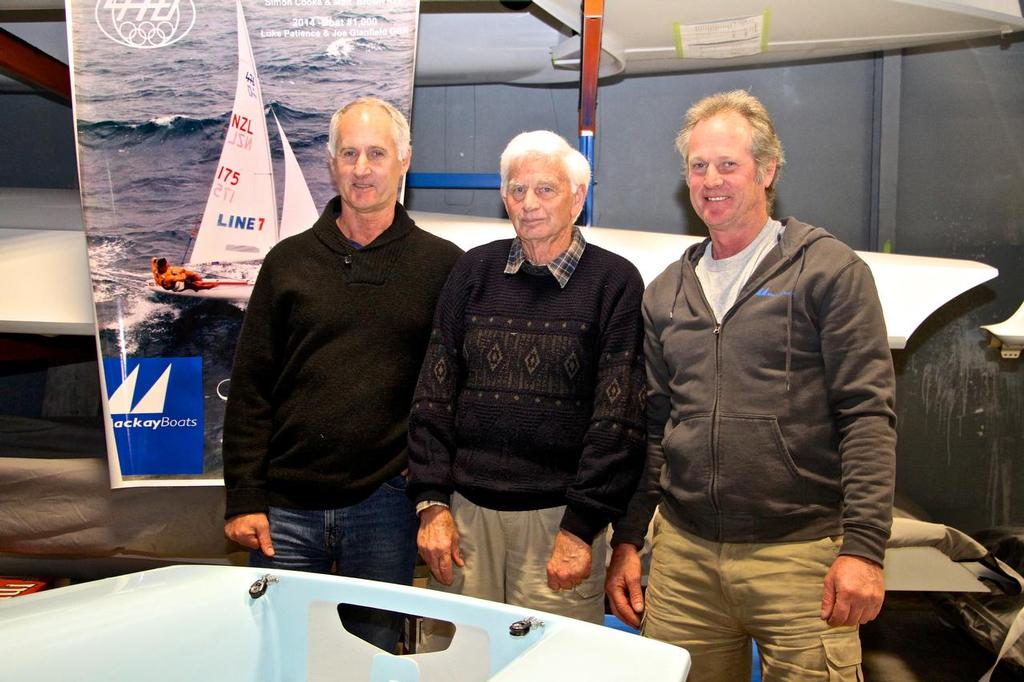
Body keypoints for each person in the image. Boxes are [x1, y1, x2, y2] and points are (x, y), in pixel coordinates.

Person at [605, 90, 897, 681]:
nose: (711, 179)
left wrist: (863, 549)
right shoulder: (666, 292)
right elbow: (657, 428)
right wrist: (630, 540)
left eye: (728, 164)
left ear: (767, 171)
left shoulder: (828, 272)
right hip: (686, 559)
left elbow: (867, 414)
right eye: (697, 166)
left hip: (799, 557)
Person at [222, 97, 462, 652]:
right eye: (349, 153)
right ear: (330, 164)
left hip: (385, 506)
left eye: (377, 153)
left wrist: (434, 494)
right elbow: (252, 386)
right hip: (284, 511)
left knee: (374, 659)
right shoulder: (287, 262)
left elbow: (451, 393)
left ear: (404, 161)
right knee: (279, 655)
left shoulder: (442, 266)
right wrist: (244, 496)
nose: (362, 168)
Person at [407, 130, 646, 626]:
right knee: (455, 662)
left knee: (549, 666)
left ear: (578, 197)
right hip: (465, 518)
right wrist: (432, 504)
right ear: (504, 198)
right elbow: (433, 392)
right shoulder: (472, 271)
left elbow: (618, 418)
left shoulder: (614, 283)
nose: (529, 204)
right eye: (517, 190)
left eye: (545, 190)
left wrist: (581, 527)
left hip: (558, 524)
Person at [150, 256, 218, 291]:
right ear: (163, 267)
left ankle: (198, 280)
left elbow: (153, 260)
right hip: (176, 286)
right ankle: (213, 286)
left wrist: (155, 259)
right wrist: (181, 272)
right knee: (195, 286)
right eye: (166, 264)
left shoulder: (155, 269)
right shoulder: (169, 277)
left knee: (193, 275)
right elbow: (183, 278)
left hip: (165, 283)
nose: (168, 264)